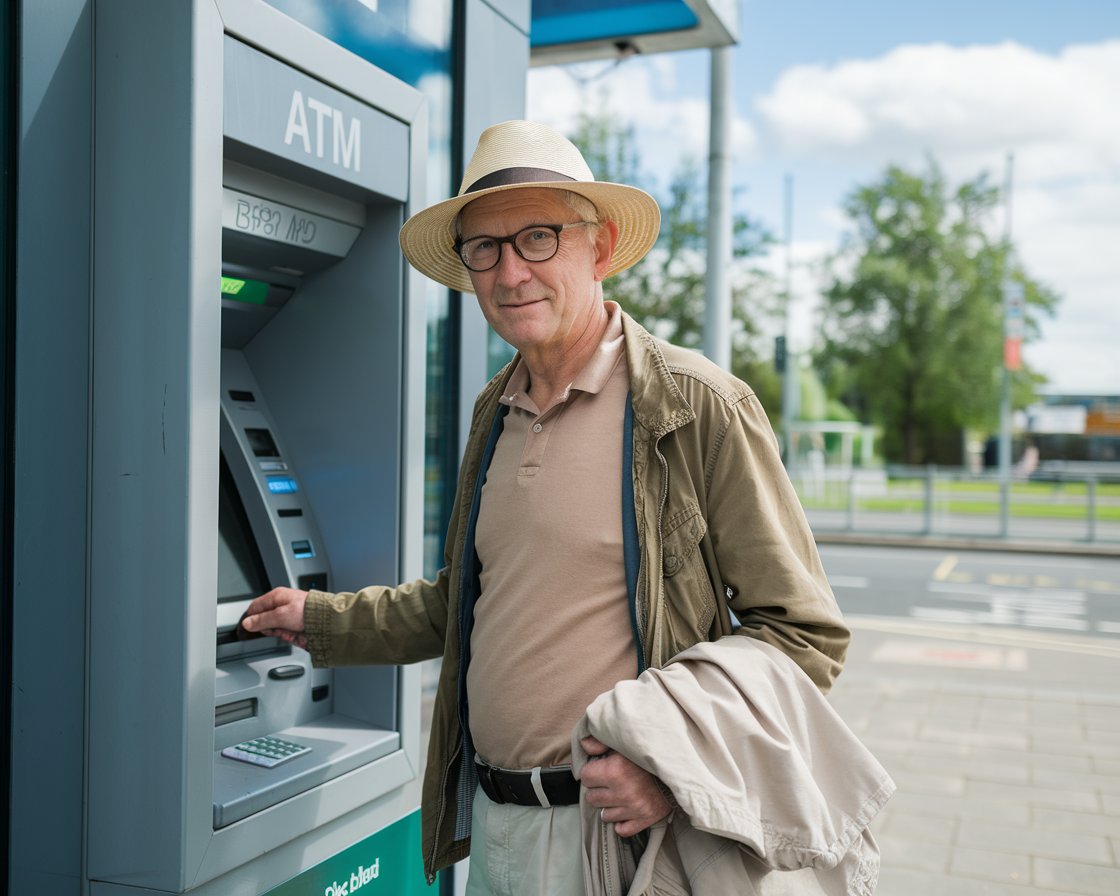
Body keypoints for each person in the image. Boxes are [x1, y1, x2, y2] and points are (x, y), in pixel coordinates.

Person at [241, 119, 850, 893]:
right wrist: (319, 620)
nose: (509, 271)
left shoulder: (695, 407)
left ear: (597, 249)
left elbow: (803, 635)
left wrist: (675, 765)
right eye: (485, 248)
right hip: (495, 824)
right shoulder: (496, 409)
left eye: (537, 238)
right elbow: (473, 600)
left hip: (620, 838)